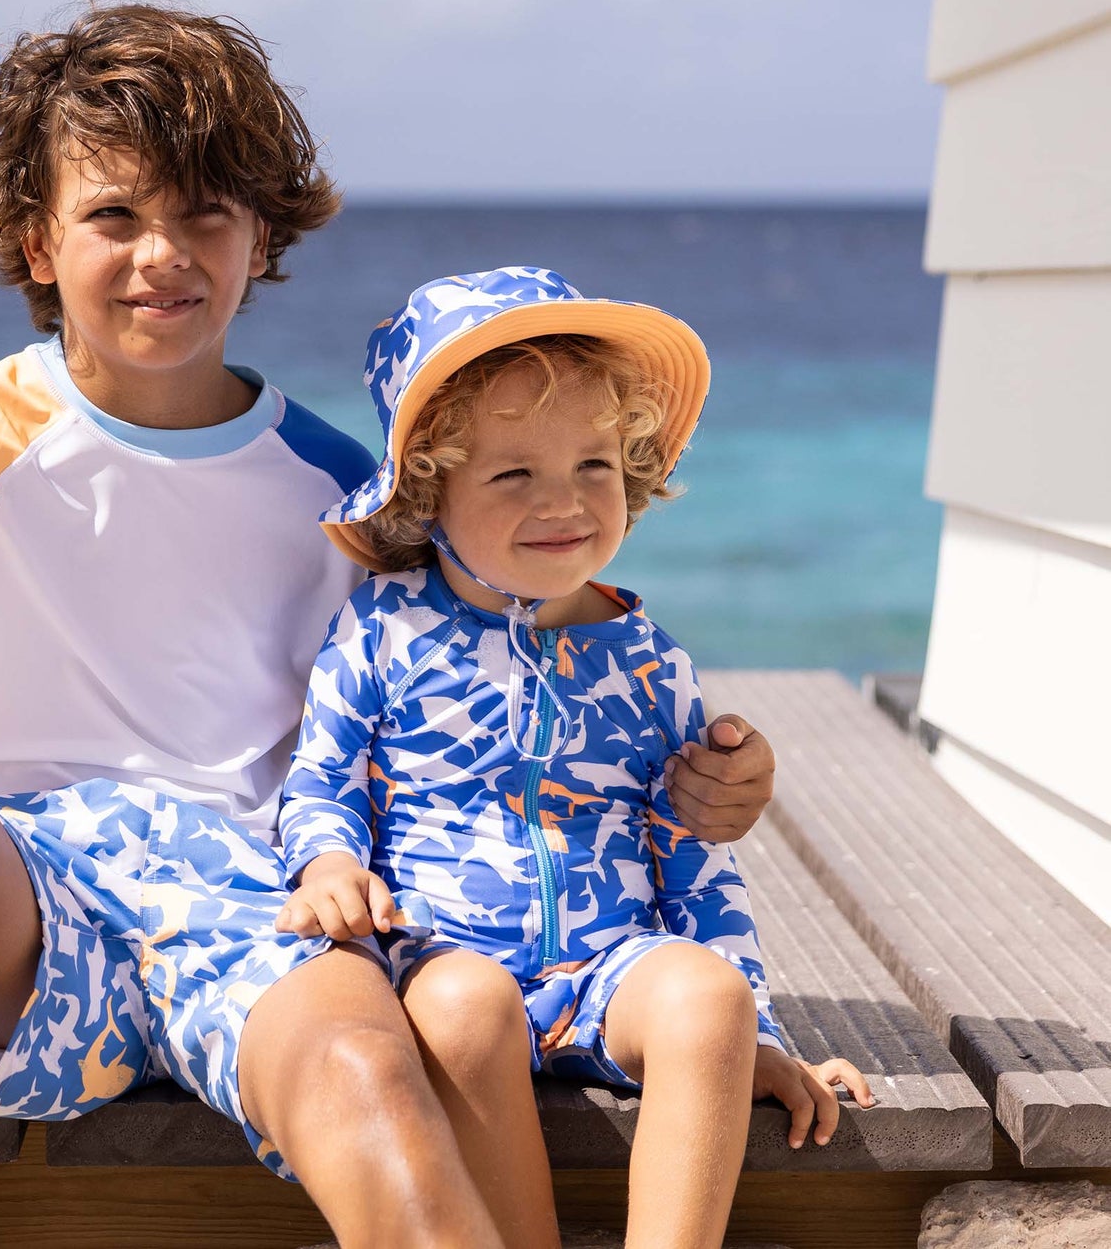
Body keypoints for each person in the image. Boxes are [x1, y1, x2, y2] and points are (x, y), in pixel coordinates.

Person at [0, 6, 778, 1249]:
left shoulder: (340, 487)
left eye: (205, 213)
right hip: (20, 914)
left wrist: (698, 785)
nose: (163, 253)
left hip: (256, 907)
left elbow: (498, 693)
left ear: (261, 235)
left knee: (366, 1069)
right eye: (112, 216)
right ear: (37, 243)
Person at [277, 266, 874, 1249]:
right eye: (512, 473)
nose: (562, 502)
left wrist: (750, 1038)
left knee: (706, 995)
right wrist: (331, 864)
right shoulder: (383, 626)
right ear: (428, 488)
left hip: (608, 970)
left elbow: (693, 859)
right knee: (467, 1009)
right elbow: (323, 778)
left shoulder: (643, 661)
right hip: (445, 957)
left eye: (594, 465)